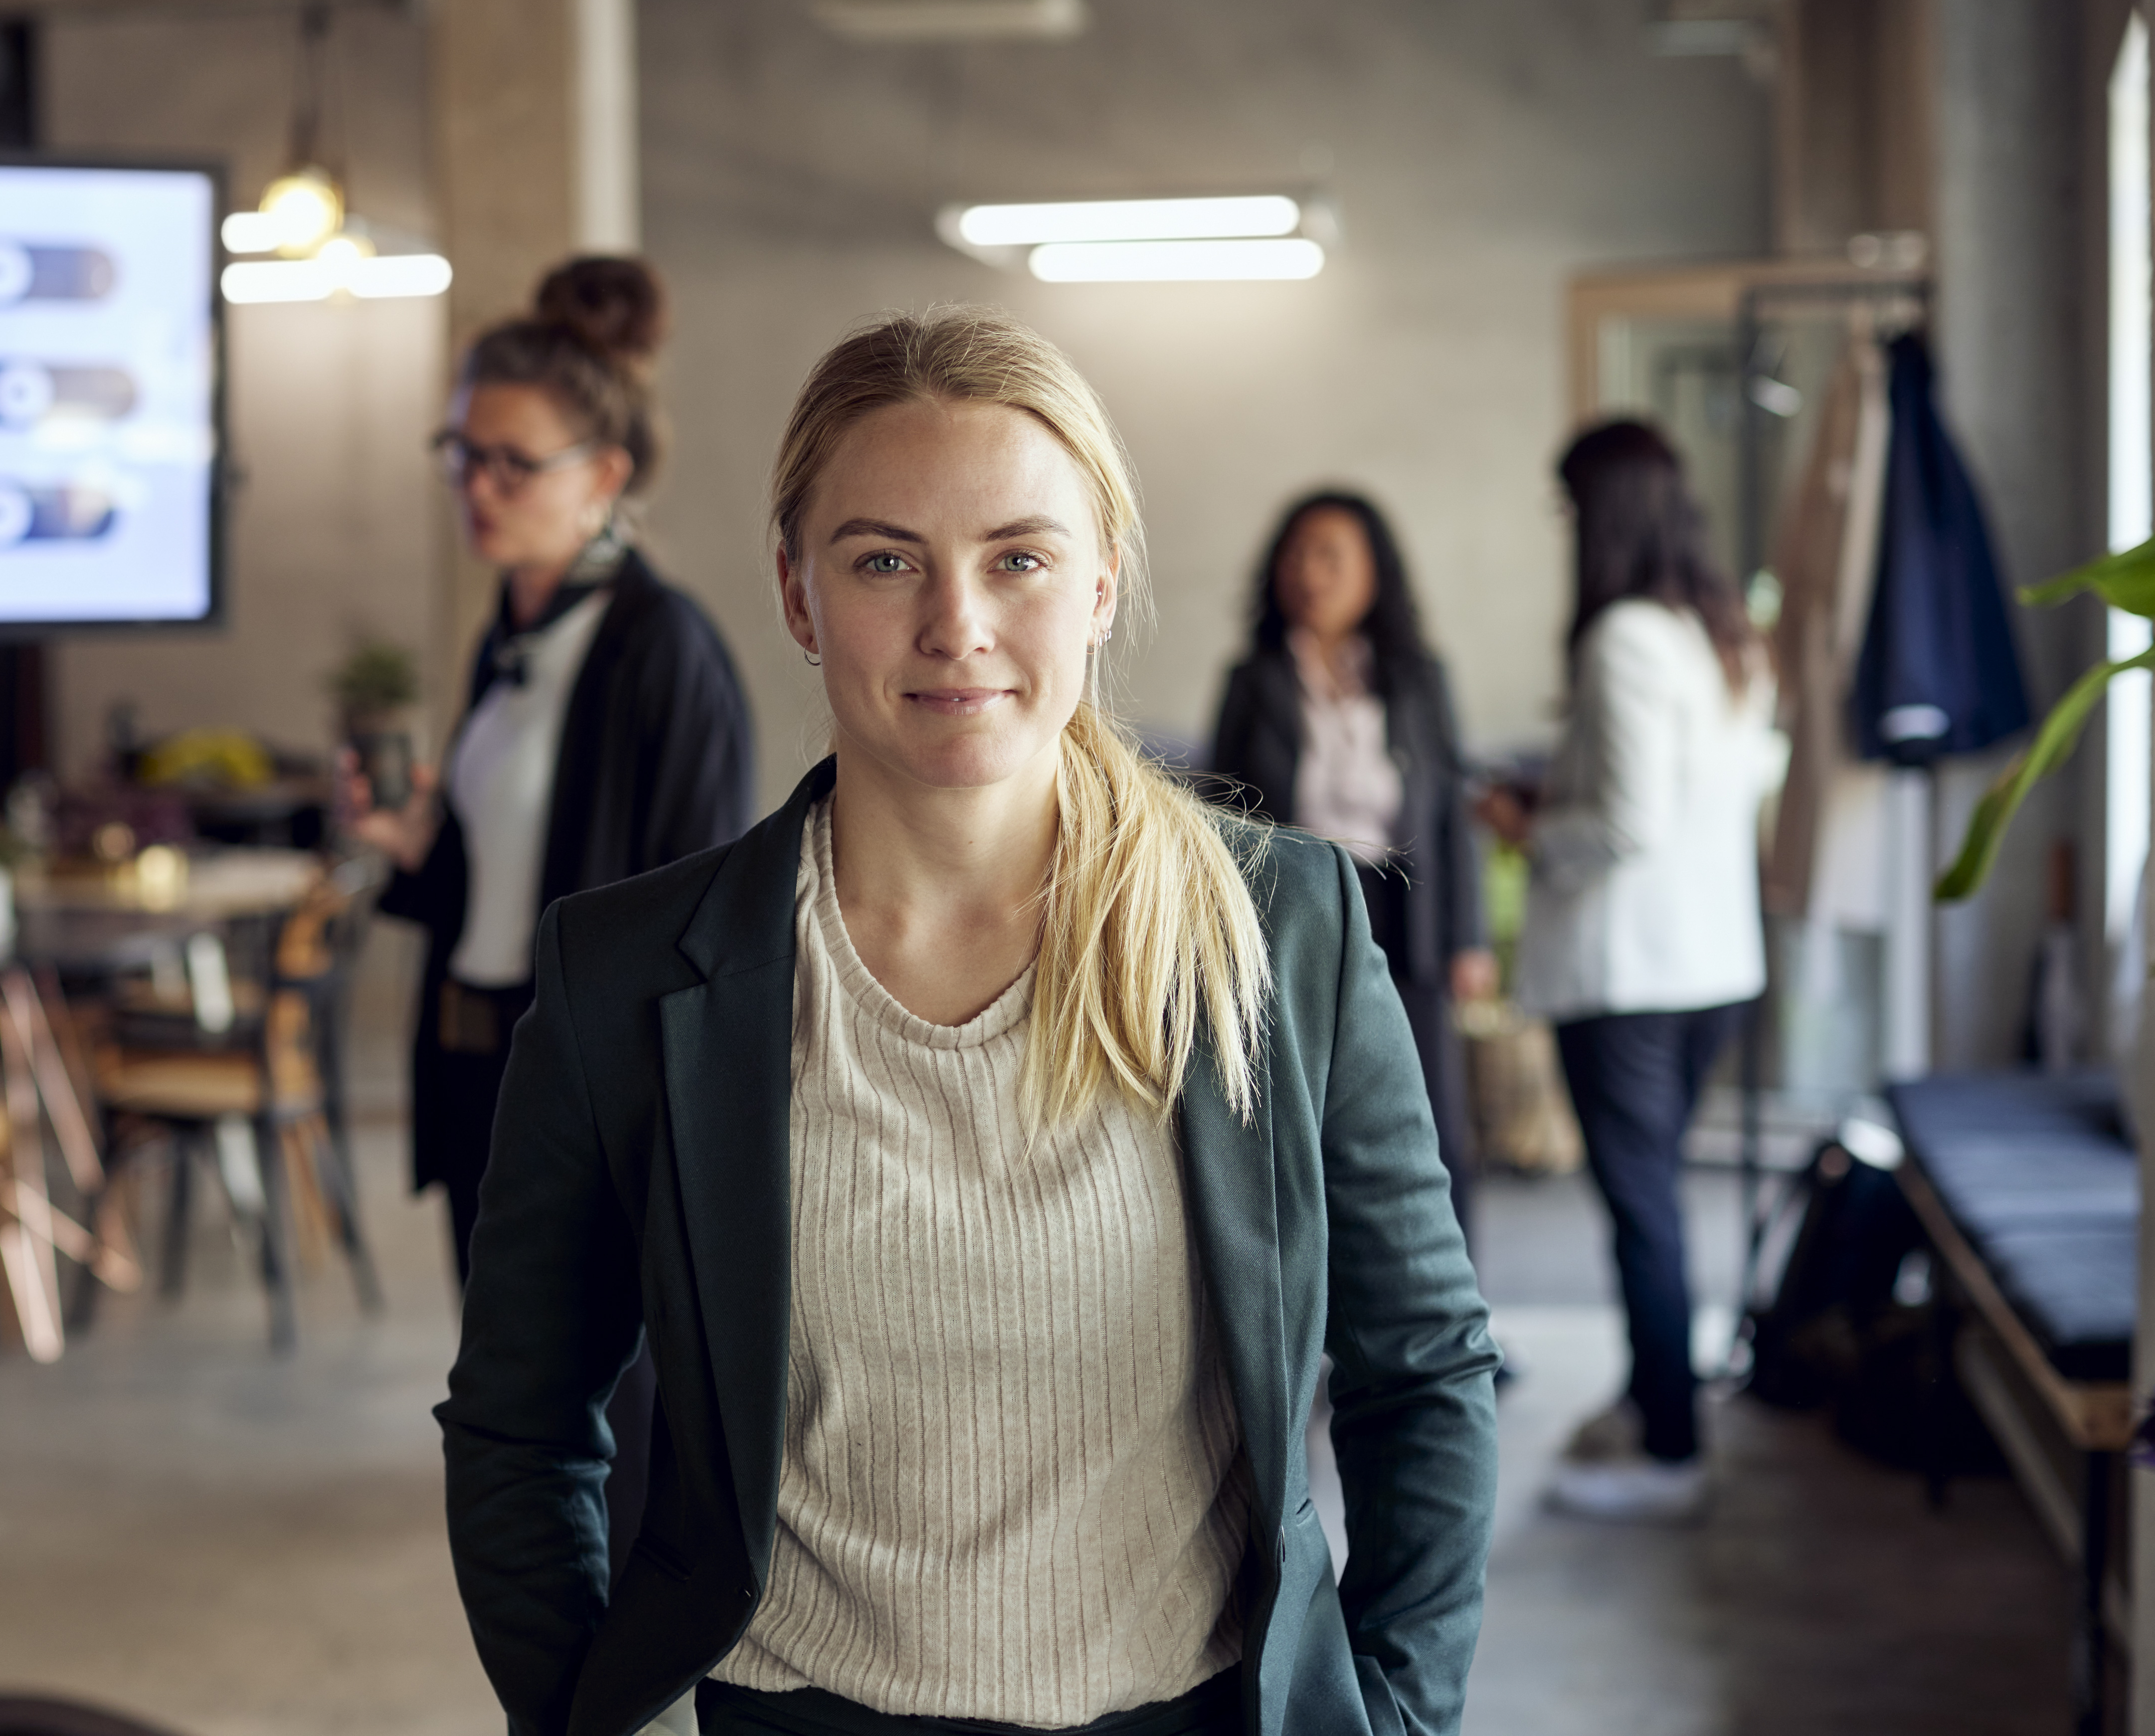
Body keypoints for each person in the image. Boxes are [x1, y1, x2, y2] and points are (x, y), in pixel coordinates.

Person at [441, 307, 1499, 1736]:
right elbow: (520, 1421)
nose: (957, 626)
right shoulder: (626, 976)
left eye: (1019, 558)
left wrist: (1397, 1719)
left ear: (1102, 583)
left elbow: (1424, 1372)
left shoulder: (1275, 928)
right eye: (885, 560)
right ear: (798, 592)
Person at [355, 253, 756, 1288]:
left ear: (605, 475)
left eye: (513, 463)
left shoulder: (663, 651)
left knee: (593, 1385)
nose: (476, 486)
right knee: (495, 1376)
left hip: (590, 1105)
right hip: (476, 1072)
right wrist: (417, 844)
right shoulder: (509, 635)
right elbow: (501, 888)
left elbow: (705, 921)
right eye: (461, 452)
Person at [1478, 418, 1778, 1524]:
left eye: (1569, 506)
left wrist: (1529, 826)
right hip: (1713, 966)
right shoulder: (1722, 634)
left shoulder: (1622, 637)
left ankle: (1670, 1449)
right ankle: (1658, 1390)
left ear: (1601, 512)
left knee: (1642, 1208)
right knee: (1654, 1200)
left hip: (1631, 976)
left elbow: (1627, 822)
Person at [1204, 491, 1494, 1245]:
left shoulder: (1418, 678)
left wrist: (1470, 938)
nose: (1309, 573)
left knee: (1428, 1112)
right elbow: (1218, 814)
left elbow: (1450, 812)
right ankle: (1319, 1299)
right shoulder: (1254, 680)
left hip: (1404, 909)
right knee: (1306, 1113)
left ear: (1374, 572)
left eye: (1331, 555)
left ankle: (1449, 1292)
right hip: (1293, 912)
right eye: (1297, 554)